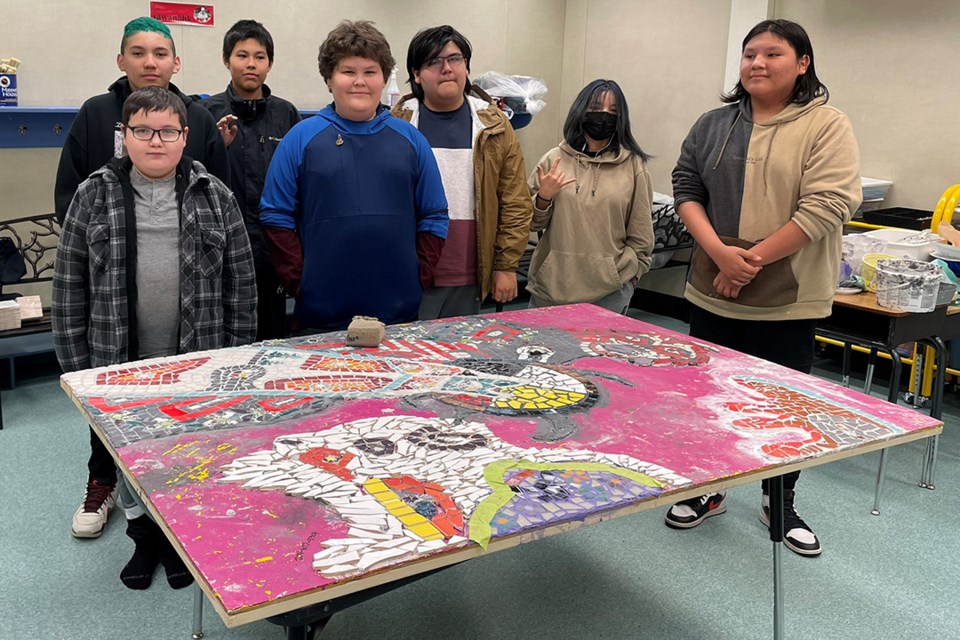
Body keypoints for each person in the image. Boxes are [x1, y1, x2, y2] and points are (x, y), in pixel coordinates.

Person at [665, 19, 861, 557]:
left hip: (788, 294)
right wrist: (720, 256)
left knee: (782, 405)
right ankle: (709, 489)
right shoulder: (714, 123)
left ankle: (781, 498)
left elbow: (829, 204)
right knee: (707, 396)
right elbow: (686, 187)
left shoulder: (825, 124)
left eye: (773, 54)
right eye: (750, 53)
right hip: (713, 287)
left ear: (802, 63)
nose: (756, 63)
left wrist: (747, 262)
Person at [52, 87, 257, 588]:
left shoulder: (216, 196)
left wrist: (235, 366)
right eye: (142, 130)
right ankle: (144, 543)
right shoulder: (92, 195)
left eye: (167, 131)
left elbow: (242, 286)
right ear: (124, 136)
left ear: (185, 137)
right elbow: (68, 285)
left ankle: (178, 544)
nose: (155, 141)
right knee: (132, 463)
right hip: (118, 361)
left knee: (187, 456)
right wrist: (80, 370)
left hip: (198, 363)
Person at [54, 16, 231, 540]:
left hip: (185, 304)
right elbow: (70, 195)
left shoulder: (197, 117)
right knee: (114, 405)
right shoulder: (94, 115)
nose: (149, 62)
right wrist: (102, 249)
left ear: (176, 62)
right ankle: (103, 480)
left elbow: (219, 193)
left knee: (183, 410)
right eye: (138, 52)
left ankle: (179, 498)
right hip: (114, 295)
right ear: (121, 60)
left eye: (160, 53)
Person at [260, 20, 448, 332]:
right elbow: (275, 215)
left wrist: (419, 275)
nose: (359, 82)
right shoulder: (300, 139)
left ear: (383, 78)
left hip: (398, 314)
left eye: (370, 72)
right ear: (329, 79)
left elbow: (434, 214)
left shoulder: (411, 140)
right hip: (319, 315)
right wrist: (300, 281)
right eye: (348, 72)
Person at [391, 25, 531, 319]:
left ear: (466, 65)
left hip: (470, 272)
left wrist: (505, 266)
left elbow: (515, 201)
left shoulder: (494, 126)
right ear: (416, 74)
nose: (446, 69)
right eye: (433, 61)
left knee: (459, 357)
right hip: (410, 270)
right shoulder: (397, 125)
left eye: (455, 59)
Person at [201, 19, 302, 340]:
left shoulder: (286, 115)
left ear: (269, 63)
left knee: (272, 335)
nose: (251, 64)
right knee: (223, 336)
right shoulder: (206, 113)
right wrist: (216, 148)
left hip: (272, 249)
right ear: (226, 59)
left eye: (259, 56)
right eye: (242, 55)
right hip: (219, 249)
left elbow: (301, 181)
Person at [525, 79, 654, 313]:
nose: (603, 116)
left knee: (599, 351)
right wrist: (544, 197)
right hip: (552, 288)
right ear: (581, 110)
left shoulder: (634, 166)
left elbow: (642, 233)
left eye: (612, 111)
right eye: (595, 108)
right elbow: (530, 223)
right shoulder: (554, 159)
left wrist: (631, 278)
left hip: (609, 293)